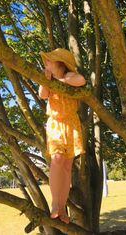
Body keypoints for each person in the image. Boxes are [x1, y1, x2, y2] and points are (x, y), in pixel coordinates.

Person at [38, 48, 86, 224]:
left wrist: (61, 80)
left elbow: (81, 80)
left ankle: (62, 207)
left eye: (50, 60)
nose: (46, 63)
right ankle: (55, 203)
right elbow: (42, 95)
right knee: (57, 159)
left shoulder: (70, 76)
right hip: (56, 123)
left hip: (72, 124)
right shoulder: (47, 79)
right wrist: (46, 80)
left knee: (67, 167)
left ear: (60, 63)